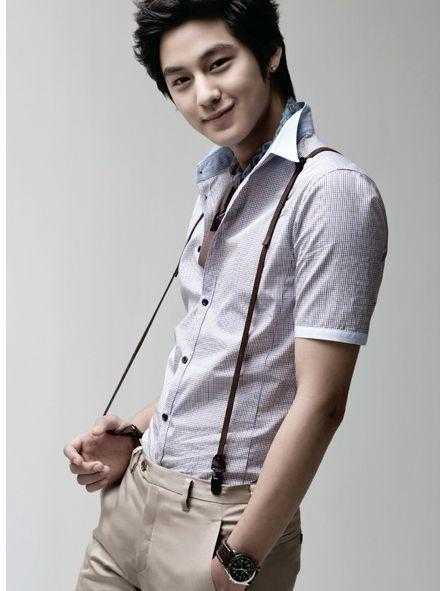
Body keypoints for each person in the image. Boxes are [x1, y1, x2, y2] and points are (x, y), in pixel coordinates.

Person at [63, 1, 389, 590]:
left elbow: (322, 401)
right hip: (133, 503)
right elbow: (213, 356)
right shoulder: (217, 181)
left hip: (223, 525)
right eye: (181, 81)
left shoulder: (331, 192)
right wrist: (134, 434)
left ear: (270, 53)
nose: (205, 95)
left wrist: (239, 559)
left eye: (219, 64)